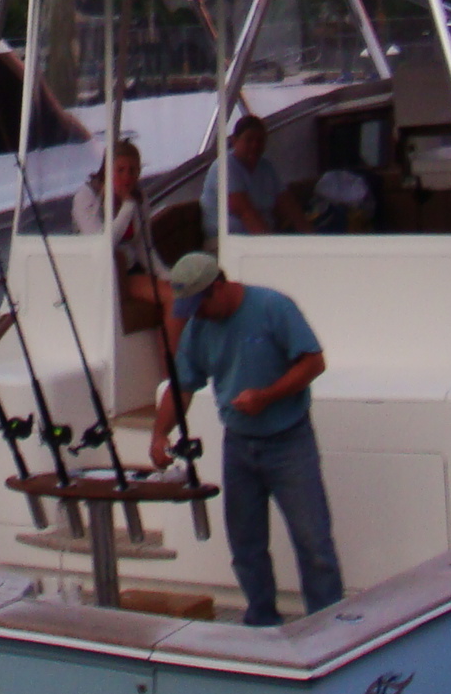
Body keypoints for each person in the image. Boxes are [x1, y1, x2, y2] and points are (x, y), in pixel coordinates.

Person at [148, 251, 343, 625]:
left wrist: (267, 396)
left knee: (313, 542)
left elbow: (313, 361)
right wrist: (159, 434)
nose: (196, 316)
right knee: (246, 546)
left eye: (199, 305)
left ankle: (328, 624)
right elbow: (182, 385)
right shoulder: (199, 328)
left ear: (218, 286)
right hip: (238, 444)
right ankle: (261, 621)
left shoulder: (273, 307)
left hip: (290, 441)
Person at [74, 138, 159, 327]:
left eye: (133, 170)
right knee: (171, 298)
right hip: (99, 276)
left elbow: (144, 248)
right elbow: (102, 245)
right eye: (120, 170)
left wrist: (165, 274)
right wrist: (127, 207)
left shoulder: (139, 196)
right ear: (107, 171)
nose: (127, 177)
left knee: (178, 293)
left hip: (129, 270)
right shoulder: (87, 197)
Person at [202, 113, 286, 238]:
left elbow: (288, 203)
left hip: (257, 240)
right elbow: (246, 214)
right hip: (225, 244)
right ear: (235, 141)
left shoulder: (266, 167)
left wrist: (310, 237)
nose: (255, 145)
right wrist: (272, 249)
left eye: (260, 140)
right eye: (249, 140)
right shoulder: (225, 166)